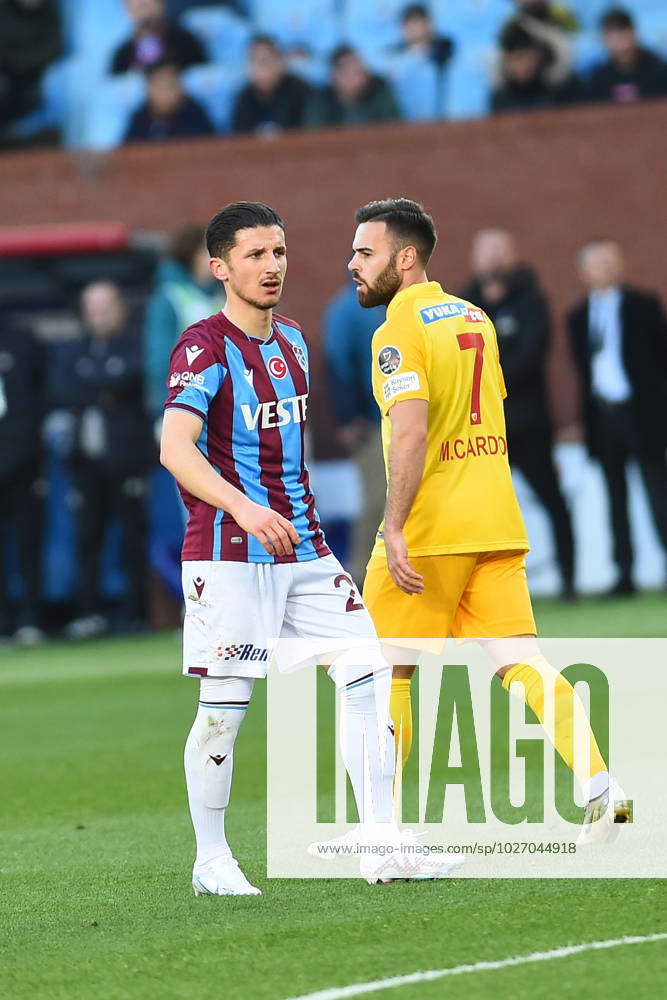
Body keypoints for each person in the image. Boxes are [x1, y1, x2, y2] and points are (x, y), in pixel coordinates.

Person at [160, 202, 444, 894]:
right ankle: (211, 860)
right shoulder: (201, 346)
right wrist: (242, 507)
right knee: (224, 710)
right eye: (254, 255)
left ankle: (381, 845)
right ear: (219, 268)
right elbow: (175, 448)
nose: (271, 267)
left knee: (366, 678)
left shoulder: (292, 341)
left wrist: (285, 518)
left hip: (307, 551)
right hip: (229, 553)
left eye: (279, 253)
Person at [349, 198, 629, 842]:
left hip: (430, 530)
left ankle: (383, 830)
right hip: (494, 522)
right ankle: (601, 788)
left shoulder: (398, 331)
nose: (353, 265)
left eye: (366, 252)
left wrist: (393, 526)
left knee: (386, 669)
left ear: (406, 257)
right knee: (523, 663)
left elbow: (412, 433)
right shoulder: (473, 316)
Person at [460, 229, 575, 598]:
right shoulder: (464, 305)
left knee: (552, 500)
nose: (493, 258)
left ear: (512, 255)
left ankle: (569, 581)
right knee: (480, 509)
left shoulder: (532, 299)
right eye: (486, 251)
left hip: (529, 424)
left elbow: (530, 355)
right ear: (475, 258)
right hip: (482, 428)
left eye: (500, 250)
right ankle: (480, 590)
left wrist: (487, 377)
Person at [568, 239, 667, 596]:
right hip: (604, 417)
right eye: (598, 262)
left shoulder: (644, 305)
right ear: (583, 272)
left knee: (658, 492)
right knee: (615, 498)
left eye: (612, 260)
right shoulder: (578, 317)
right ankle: (624, 573)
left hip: (641, 415)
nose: (607, 268)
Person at [56, 282, 155, 639]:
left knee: (132, 539)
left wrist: (99, 386)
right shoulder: (74, 349)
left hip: (126, 460)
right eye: (92, 309)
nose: (97, 316)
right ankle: (89, 613)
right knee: (87, 540)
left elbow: (131, 378)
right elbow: (64, 389)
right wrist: (104, 387)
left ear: (121, 309)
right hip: (86, 463)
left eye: (104, 307)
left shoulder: (135, 342)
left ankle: (136, 615)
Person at [323, 279, 385, 585]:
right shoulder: (348, 309)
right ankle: (360, 578)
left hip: (396, 419)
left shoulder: (387, 305)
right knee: (379, 500)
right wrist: (349, 417)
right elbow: (336, 364)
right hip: (371, 424)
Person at [144, 223, 225, 422]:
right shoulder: (169, 298)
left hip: (222, 406)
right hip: (183, 405)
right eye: (208, 253)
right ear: (192, 256)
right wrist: (163, 408)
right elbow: (159, 357)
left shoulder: (223, 297)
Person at [0, 314, 46, 644]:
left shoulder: (20, 339)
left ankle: (30, 618)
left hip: (21, 458)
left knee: (28, 541)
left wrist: (26, 446)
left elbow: (39, 395)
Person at [584, 8, 667, 105]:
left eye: (623, 37)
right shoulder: (599, 79)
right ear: (603, 40)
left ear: (634, 34)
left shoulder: (659, 72)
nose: (621, 46)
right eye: (613, 40)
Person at [231, 36, 311, 135]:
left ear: (280, 61)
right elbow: (239, 137)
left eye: (265, 61)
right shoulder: (243, 97)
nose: (260, 68)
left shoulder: (301, 91)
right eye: (254, 61)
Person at [306, 47, 401, 129]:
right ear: (334, 77)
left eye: (359, 71)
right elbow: (314, 132)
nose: (357, 78)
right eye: (348, 72)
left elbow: (393, 125)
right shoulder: (322, 99)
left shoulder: (380, 90)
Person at [0, 0, 61, 127]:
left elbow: (53, 50)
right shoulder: (4, 13)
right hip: (6, 75)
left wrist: (21, 64)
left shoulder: (50, 15)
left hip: (36, 77)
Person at [492, 22, 577, 113]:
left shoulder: (565, 90)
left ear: (541, 56)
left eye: (526, 56)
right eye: (513, 59)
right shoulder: (500, 99)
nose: (521, 64)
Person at [123, 61, 214, 144]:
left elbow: (210, 146)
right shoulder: (140, 117)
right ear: (149, 89)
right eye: (160, 85)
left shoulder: (194, 114)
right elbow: (128, 151)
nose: (166, 91)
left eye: (171, 84)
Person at [111, 0, 207, 75]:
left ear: (161, 5)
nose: (144, 12)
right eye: (137, 6)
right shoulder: (123, 54)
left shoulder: (186, 42)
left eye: (146, 5)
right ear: (127, 10)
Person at [396, 4, 454, 72]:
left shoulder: (445, 49)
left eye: (416, 23)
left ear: (428, 24)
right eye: (408, 25)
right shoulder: (396, 53)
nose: (412, 29)